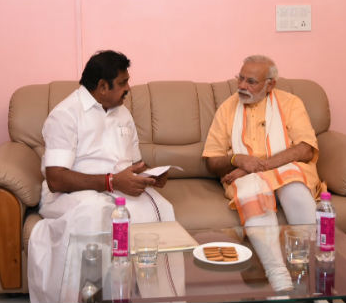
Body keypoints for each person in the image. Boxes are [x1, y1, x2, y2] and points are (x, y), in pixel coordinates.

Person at [27, 50, 175, 303]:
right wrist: (111, 181)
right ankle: (91, 296)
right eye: (122, 83)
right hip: (71, 194)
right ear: (102, 87)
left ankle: (150, 296)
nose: (128, 88)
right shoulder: (66, 114)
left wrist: (149, 174)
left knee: (161, 208)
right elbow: (56, 179)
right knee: (96, 213)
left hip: (117, 190)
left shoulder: (122, 113)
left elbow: (134, 164)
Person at [202, 55, 323, 292]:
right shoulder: (228, 108)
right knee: (252, 192)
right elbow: (211, 161)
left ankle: (311, 274)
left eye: (251, 82)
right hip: (246, 177)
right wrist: (238, 160)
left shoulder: (291, 103)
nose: (242, 86)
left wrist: (260, 165)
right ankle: (279, 279)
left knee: (295, 189)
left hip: (285, 169)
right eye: (240, 79)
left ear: (270, 84)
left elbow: (305, 148)